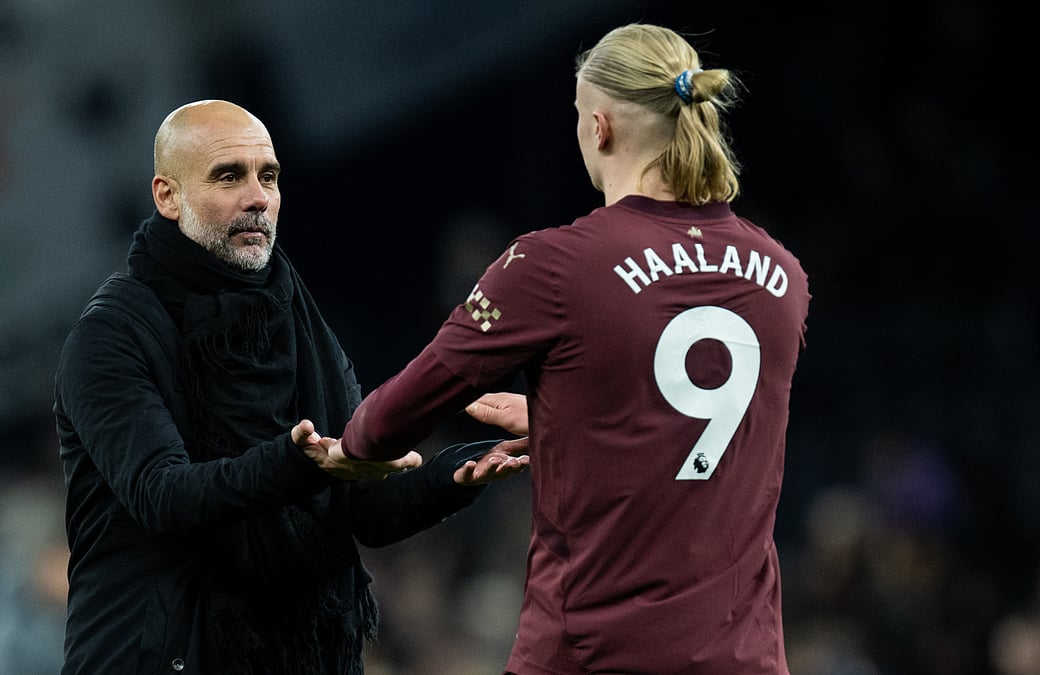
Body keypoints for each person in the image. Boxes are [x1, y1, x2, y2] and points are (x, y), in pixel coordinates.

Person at [329, 23, 810, 674]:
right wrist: (569, 423)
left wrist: (343, 446)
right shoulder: (781, 273)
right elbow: (707, 429)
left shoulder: (552, 265)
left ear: (600, 127)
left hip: (591, 655)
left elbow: (388, 422)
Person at [52, 99, 528, 675]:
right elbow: (164, 496)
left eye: (268, 176)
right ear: (167, 196)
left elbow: (365, 507)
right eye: (229, 176)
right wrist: (297, 464)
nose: (257, 197)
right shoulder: (111, 335)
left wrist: (458, 471)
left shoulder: (296, 318)